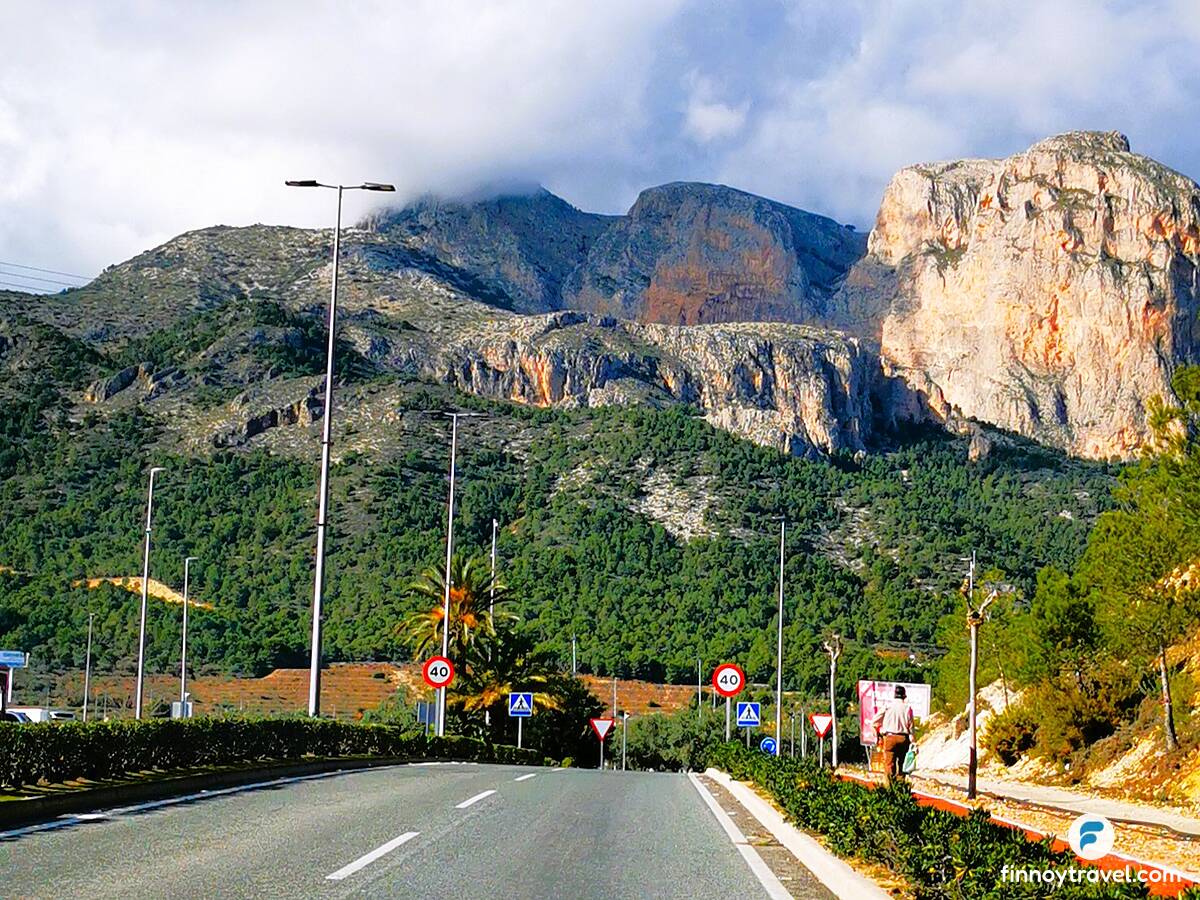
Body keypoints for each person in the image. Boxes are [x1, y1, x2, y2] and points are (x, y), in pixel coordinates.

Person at [871, 685, 914, 786]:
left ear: (894, 695)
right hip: (904, 738)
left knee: (889, 764)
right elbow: (911, 727)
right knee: (902, 764)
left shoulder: (887, 706)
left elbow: (874, 721)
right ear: (904, 696)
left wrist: (877, 734)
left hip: (889, 738)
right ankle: (901, 787)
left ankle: (890, 788)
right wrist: (913, 741)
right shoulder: (908, 708)